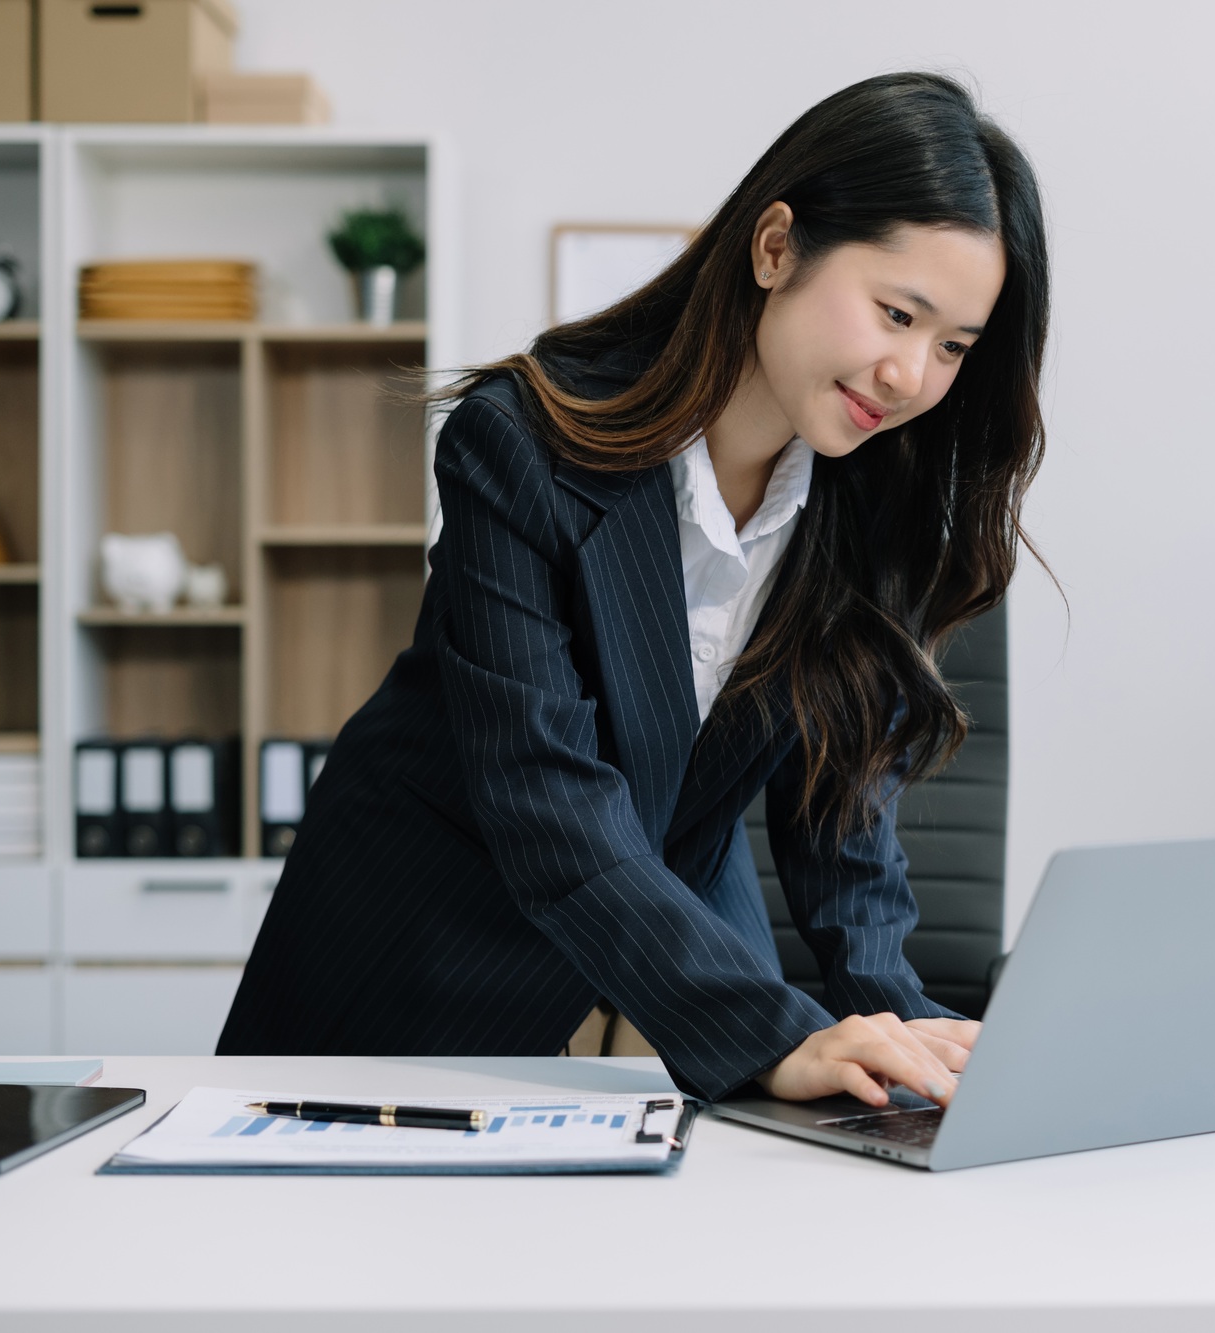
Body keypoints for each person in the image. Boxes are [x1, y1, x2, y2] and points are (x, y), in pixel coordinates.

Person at [219, 71, 1050, 1108]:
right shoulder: (521, 443)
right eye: (896, 313)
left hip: (671, 979)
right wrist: (770, 1026)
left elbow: (840, 802)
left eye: (952, 347)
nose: (910, 375)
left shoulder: (862, 501)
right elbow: (547, 800)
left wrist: (907, 1028)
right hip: (424, 958)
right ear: (775, 246)